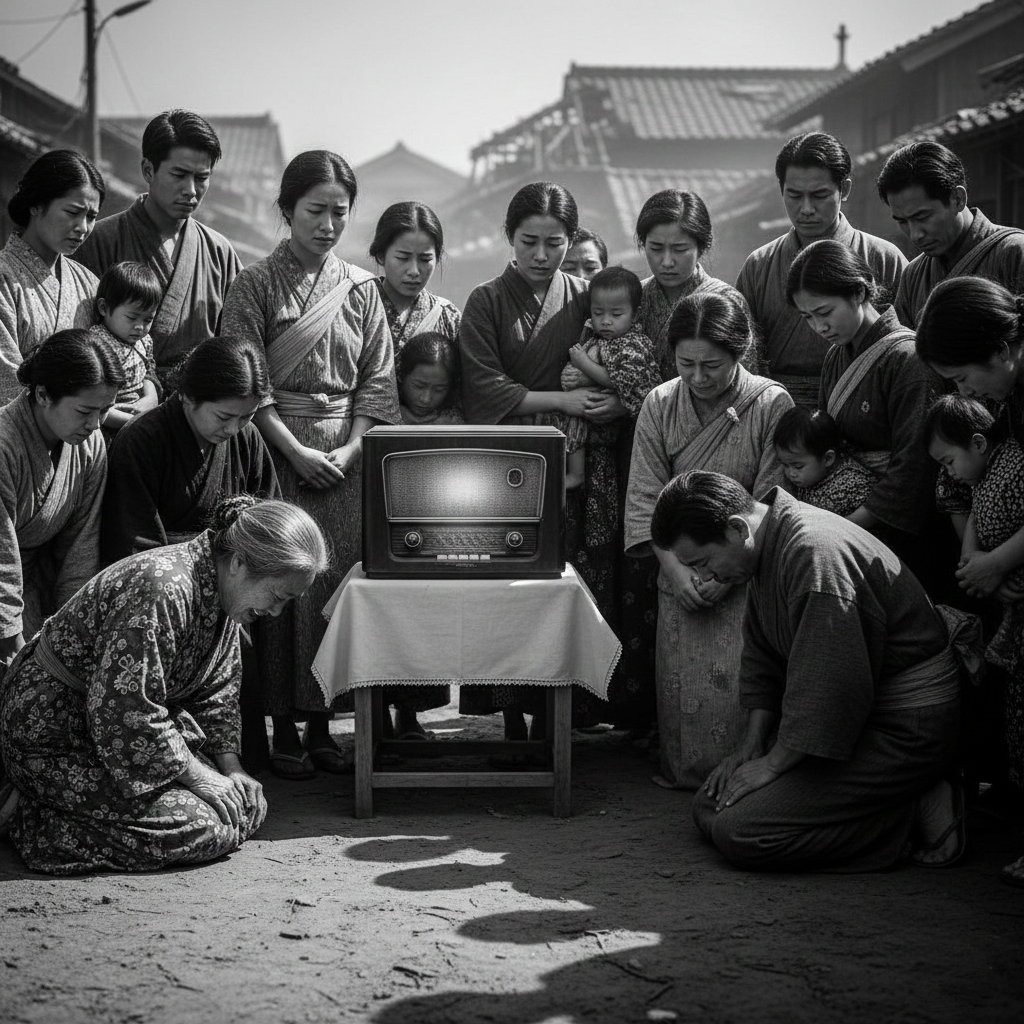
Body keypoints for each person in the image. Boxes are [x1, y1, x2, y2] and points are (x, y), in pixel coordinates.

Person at [653, 471, 966, 872]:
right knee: (709, 804)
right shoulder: (766, 544)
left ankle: (914, 807)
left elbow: (830, 687)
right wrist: (752, 746)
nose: (705, 577)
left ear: (736, 529)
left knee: (741, 831)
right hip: (854, 721)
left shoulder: (813, 554)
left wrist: (773, 764)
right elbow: (762, 657)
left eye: (703, 562)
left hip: (907, 729)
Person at [0, 496, 329, 874]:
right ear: (239, 563)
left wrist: (231, 769)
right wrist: (200, 778)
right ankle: (29, 814)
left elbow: (218, 694)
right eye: (277, 597)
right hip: (52, 734)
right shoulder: (163, 588)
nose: (275, 612)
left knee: (245, 806)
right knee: (202, 825)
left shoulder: (224, 593)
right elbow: (126, 709)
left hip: (118, 735)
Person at [219, 150, 399, 776]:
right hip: (273, 455)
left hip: (345, 460)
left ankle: (324, 724)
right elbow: (247, 377)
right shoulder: (253, 284)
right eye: (315, 211)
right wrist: (294, 450)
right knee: (278, 585)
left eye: (339, 213)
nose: (327, 225)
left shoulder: (362, 289)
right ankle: (282, 727)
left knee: (331, 587)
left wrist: (352, 447)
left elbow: (378, 379)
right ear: (286, 209)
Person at [458, 181, 623, 738]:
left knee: (571, 579)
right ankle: (510, 715)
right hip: (506, 456)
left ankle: (562, 712)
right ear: (509, 237)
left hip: (578, 455)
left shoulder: (587, 297)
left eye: (554, 243)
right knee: (506, 582)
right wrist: (561, 400)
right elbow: (482, 386)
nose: (540, 255)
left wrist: (600, 402)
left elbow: (619, 360)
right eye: (528, 241)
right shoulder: (485, 299)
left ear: (570, 240)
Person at [625, 291, 793, 789]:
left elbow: (773, 497)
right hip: (678, 569)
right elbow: (645, 498)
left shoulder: (770, 402)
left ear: (741, 351)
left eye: (712, 365)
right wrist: (678, 573)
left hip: (747, 570)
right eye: (686, 364)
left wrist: (727, 572)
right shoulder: (659, 403)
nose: (698, 377)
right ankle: (684, 772)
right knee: (684, 692)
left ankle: (745, 772)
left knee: (747, 681)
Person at [916, 281, 1024, 886]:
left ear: (1002, 351)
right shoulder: (1010, 401)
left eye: (962, 378)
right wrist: (993, 563)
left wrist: (997, 562)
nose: (966, 395)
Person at [787, 239, 946, 593]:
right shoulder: (836, 356)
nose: (819, 327)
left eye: (825, 312)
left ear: (859, 292)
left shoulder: (908, 360)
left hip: (895, 535)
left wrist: (849, 525)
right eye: (807, 317)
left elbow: (915, 465)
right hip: (847, 521)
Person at [72, 109, 241, 386]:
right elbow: (76, 342)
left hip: (200, 403)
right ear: (148, 170)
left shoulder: (220, 253)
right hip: (121, 399)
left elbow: (236, 345)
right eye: (179, 174)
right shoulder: (100, 240)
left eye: (202, 178)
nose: (191, 190)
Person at [737, 132, 906, 407]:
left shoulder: (884, 258)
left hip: (866, 403)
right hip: (777, 406)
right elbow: (743, 354)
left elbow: (906, 347)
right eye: (794, 195)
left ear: (845, 189)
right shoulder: (759, 265)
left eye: (819, 195)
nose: (806, 209)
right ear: (781, 189)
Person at [0, 329, 122, 674]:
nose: (95, 424)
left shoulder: (90, 444)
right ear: (42, 394)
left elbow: (82, 541)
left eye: (105, 410)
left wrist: (73, 629)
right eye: (84, 410)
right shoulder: (4, 445)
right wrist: (13, 644)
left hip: (38, 581)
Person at [100, 334, 279, 563]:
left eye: (246, 416)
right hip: (160, 575)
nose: (233, 429)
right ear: (188, 396)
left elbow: (270, 520)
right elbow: (133, 546)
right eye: (223, 417)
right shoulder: (141, 439)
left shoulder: (248, 436)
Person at [878, 141, 1024, 329]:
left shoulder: (1015, 254)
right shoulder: (913, 275)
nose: (915, 235)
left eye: (923, 217)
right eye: (903, 222)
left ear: (957, 199)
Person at [541, 265, 660, 491]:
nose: (606, 321)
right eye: (598, 313)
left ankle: (576, 475)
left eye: (616, 315)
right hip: (584, 416)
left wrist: (584, 365)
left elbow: (623, 382)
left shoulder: (633, 344)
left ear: (635, 315)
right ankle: (574, 472)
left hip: (615, 432)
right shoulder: (594, 336)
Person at [1, 150, 105, 402]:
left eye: (91, 217)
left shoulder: (89, 284)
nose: (82, 228)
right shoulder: (4, 277)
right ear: (36, 204)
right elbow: (6, 381)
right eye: (72, 212)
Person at [634, 189, 734, 381]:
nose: (667, 262)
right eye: (656, 248)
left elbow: (744, 381)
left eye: (679, 249)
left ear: (702, 247)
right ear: (643, 244)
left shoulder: (726, 301)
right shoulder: (632, 298)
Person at [370, 201, 461, 359]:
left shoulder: (448, 317)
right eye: (403, 258)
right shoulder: (359, 307)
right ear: (381, 255)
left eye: (425, 259)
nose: (414, 271)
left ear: (437, 258)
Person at [90, 261, 161, 439]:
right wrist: (134, 422)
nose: (140, 327)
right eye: (131, 317)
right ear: (104, 308)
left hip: (142, 413)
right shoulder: (98, 344)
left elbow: (149, 370)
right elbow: (94, 406)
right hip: (111, 424)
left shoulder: (144, 340)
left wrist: (150, 398)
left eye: (148, 320)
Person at [773, 406, 875, 517]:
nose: (790, 473)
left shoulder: (850, 488)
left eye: (798, 467)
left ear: (827, 459)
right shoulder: (812, 475)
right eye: (785, 465)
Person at [397, 332, 462, 425]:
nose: (426, 399)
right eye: (418, 386)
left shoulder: (454, 421)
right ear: (400, 375)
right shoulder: (382, 404)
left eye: (439, 390)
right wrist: (394, 413)